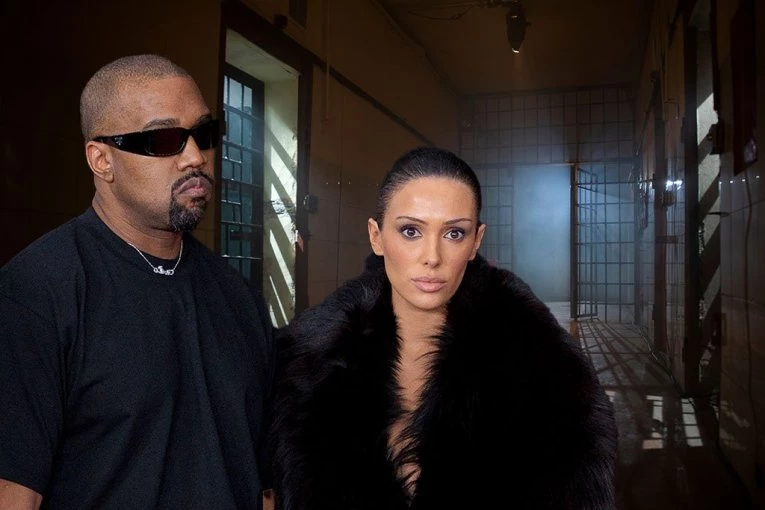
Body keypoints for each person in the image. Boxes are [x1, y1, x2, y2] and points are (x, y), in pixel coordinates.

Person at [269, 146, 618, 509]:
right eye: (410, 231)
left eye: (454, 234)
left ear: (476, 241)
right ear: (376, 236)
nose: (432, 257)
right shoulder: (305, 365)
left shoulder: (547, 374)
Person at [0, 54, 275, 509]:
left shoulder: (238, 296)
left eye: (204, 133)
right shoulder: (35, 294)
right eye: (164, 139)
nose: (196, 157)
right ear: (101, 160)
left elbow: (263, 481)